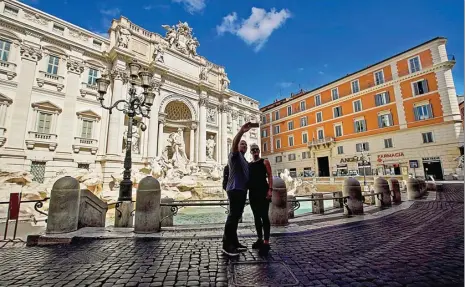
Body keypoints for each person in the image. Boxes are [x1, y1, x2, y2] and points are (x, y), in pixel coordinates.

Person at [222, 122, 252, 256]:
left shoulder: (244, 160)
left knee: (236, 216)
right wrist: (241, 132)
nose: (244, 145)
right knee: (233, 217)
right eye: (242, 144)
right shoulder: (234, 155)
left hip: (241, 190)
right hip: (234, 189)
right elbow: (234, 143)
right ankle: (227, 245)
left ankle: (234, 242)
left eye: (246, 144)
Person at [248, 143, 273, 255]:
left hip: (263, 191)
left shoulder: (265, 162)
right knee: (256, 217)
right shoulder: (249, 165)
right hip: (253, 193)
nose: (255, 151)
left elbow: (270, 175)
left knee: (264, 217)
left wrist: (270, 190)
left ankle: (266, 241)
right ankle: (259, 239)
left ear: (259, 150)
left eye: (256, 149)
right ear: (251, 152)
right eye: (253, 150)